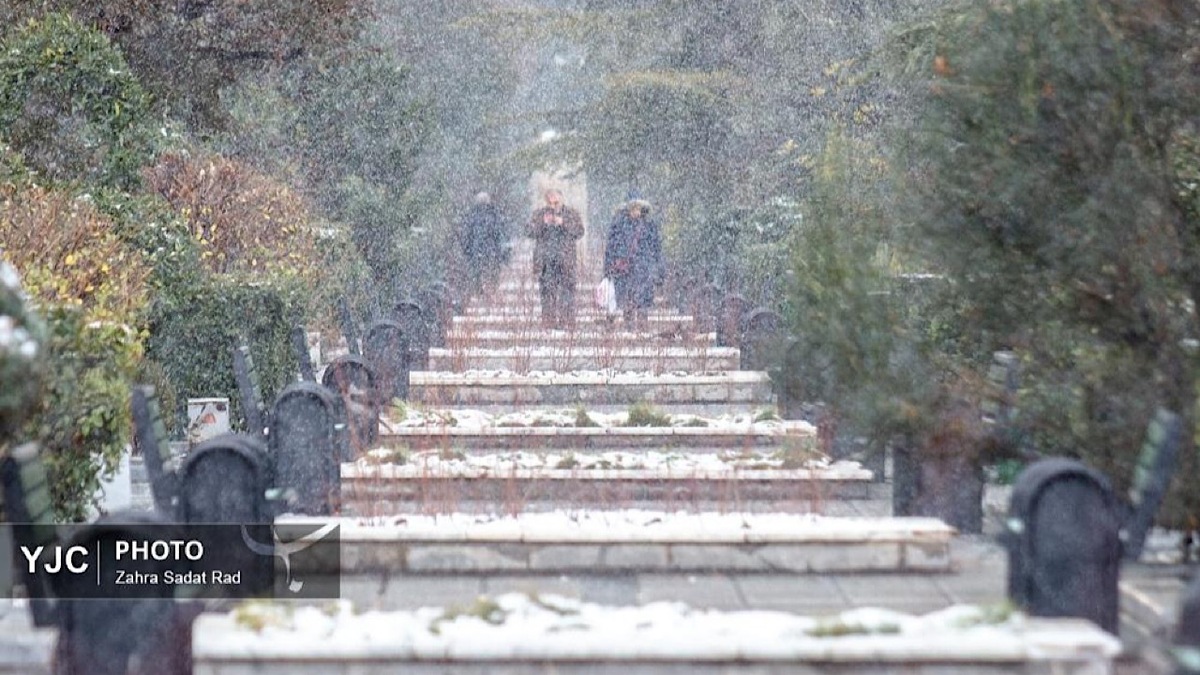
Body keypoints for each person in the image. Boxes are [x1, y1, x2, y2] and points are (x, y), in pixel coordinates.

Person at [603, 190, 665, 330]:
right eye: (633, 207)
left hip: (643, 269)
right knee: (628, 300)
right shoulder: (619, 224)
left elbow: (657, 248)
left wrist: (659, 269)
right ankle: (629, 328)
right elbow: (611, 248)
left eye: (638, 207)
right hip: (626, 269)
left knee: (643, 301)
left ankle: (642, 328)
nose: (635, 211)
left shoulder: (649, 225)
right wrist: (608, 269)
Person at [528, 189, 585, 329]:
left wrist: (564, 223)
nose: (553, 206)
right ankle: (548, 322)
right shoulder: (539, 214)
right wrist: (542, 223)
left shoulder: (571, 214)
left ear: (561, 200)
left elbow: (579, 231)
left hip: (566, 261)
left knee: (567, 292)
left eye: (556, 203)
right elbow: (529, 232)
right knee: (547, 293)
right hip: (546, 262)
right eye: (550, 203)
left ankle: (566, 321)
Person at [458, 191, 507, 292]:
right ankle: (492, 286)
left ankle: (479, 288)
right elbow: (498, 232)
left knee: (477, 269)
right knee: (493, 267)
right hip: (490, 247)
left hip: (477, 247)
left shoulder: (473, 214)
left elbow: (468, 232)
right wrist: (500, 248)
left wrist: (467, 247)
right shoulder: (493, 214)